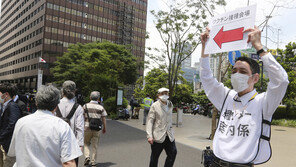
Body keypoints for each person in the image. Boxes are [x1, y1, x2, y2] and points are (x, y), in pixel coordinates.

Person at [200, 26, 289, 166]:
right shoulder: (226, 96)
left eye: (242, 71)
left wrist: (258, 47)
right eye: (234, 71)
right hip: (215, 163)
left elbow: (281, 80)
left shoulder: (263, 102)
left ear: (255, 78)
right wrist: (205, 47)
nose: (236, 74)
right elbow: (206, 77)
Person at [8, 85, 82, 167]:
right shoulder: (62, 126)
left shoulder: (21, 122)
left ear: (36, 103)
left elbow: (14, 152)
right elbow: (68, 163)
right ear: (56, 106)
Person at [146, 88, 177, 167]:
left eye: (166, 93)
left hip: (169, 135)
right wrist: (149, 136)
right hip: (158, 135)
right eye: (162, 93)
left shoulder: (170, 104)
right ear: (158, 95)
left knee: (173, 153)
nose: (165, 95)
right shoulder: (154, 105)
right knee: (154, 157)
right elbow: (150, 121)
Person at [57, 81, 84, 166]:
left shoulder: (55, 105)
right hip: (72, 145)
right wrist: (80, 144)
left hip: (56, 143)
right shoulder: (78, 107)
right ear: (74, 91)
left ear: (62, 91)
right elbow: (80, 128)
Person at [0, 83, 22, 167]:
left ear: (6, 94)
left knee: (7, 163)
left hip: (8, 144)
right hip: (4, 142)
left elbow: (12, 125)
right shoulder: (5, 106)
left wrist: (1, 136)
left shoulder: (12, 106)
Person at [83, 91, 107, 166]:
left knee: (86, 143)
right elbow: (103, 118)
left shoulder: (85, 106)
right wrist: (104, 128)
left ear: (90, 97)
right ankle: (93, 162)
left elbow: (82, 117)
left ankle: (87, 156)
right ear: (98, 98)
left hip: (87, 127)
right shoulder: (101, 107)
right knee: (95, 145)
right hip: (97, 128)